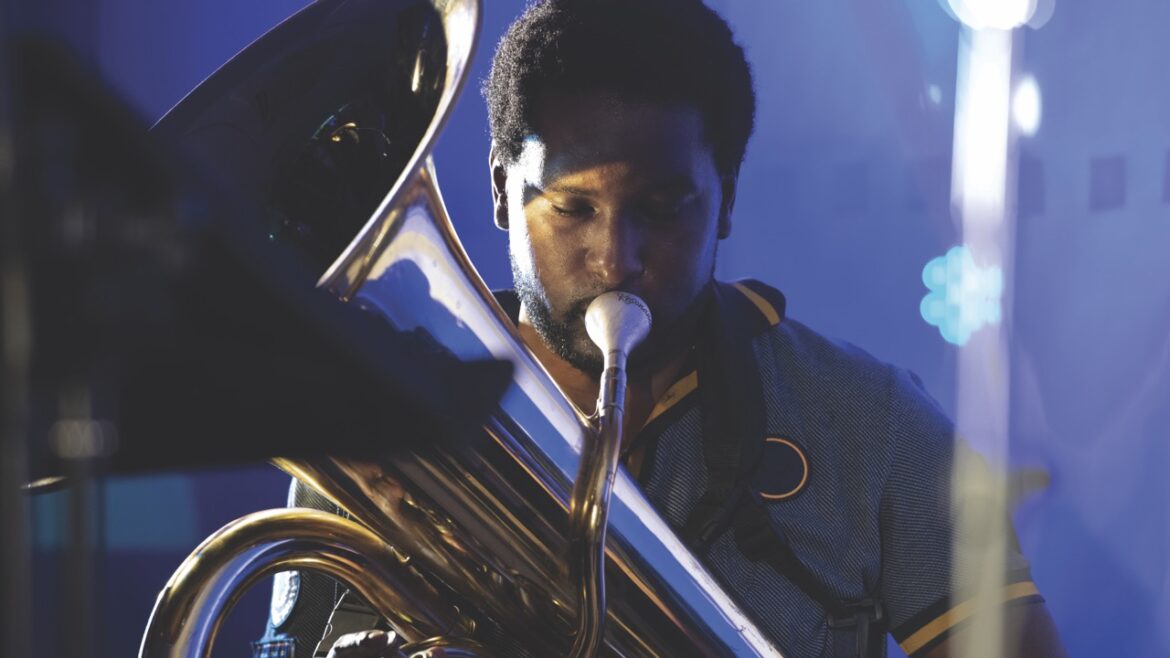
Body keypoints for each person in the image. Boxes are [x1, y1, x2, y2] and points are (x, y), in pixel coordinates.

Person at [257, 1, 1069, 656]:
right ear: (504, 191)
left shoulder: (876, 423)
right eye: (571, 207)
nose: (617, 258)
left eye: (664, 208)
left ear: (728, 201)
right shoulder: (388, 414)